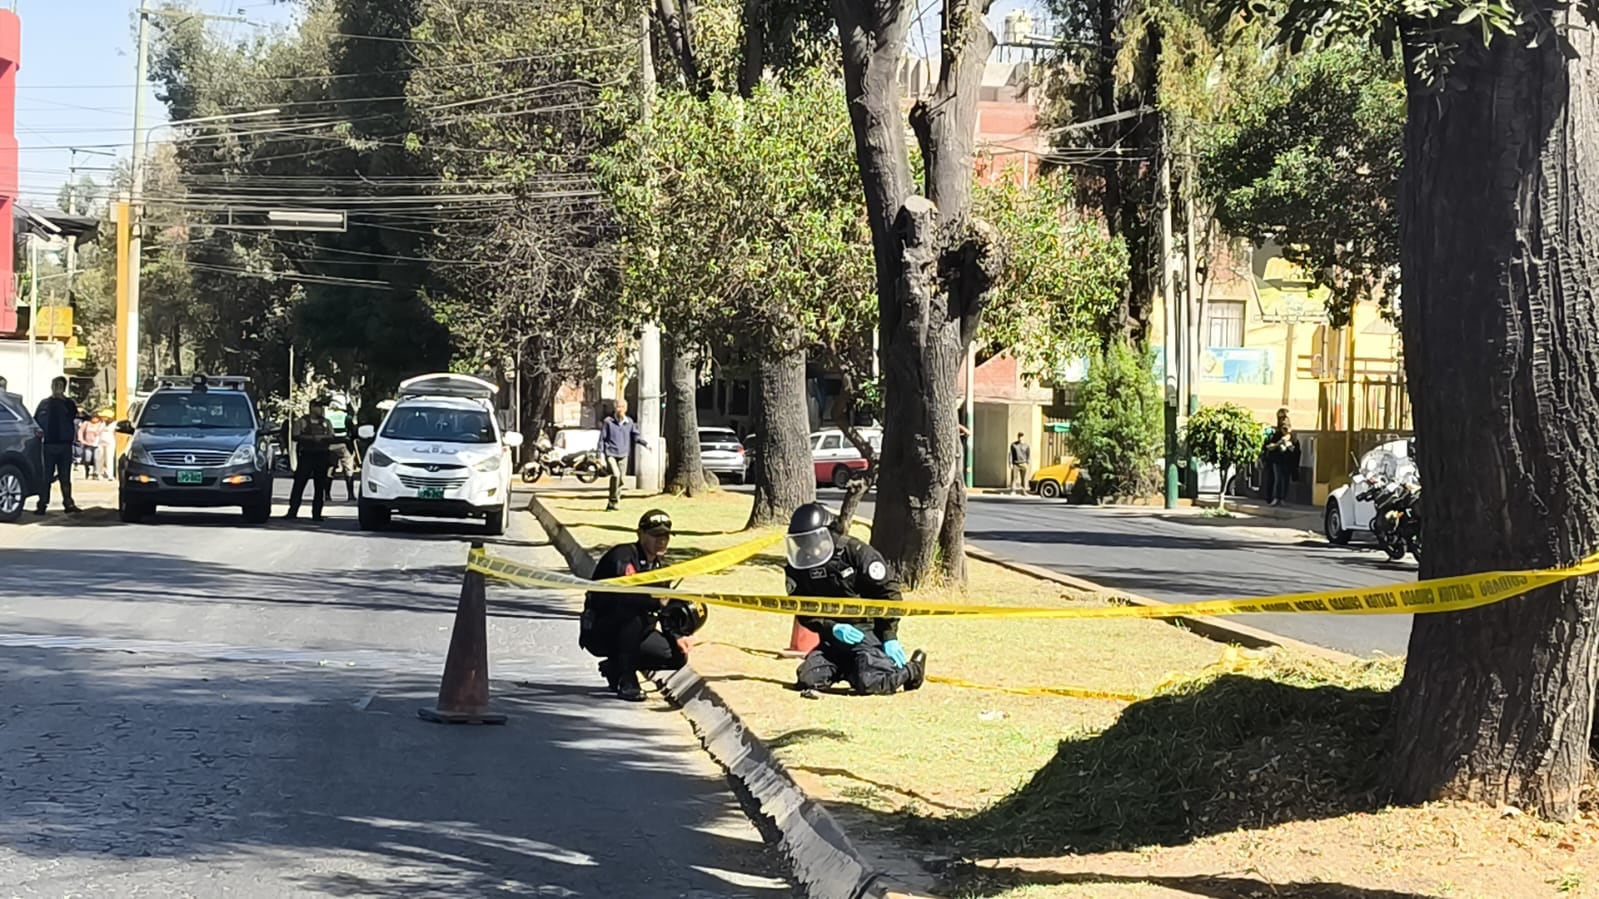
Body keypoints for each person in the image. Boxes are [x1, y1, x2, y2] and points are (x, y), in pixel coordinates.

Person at [787, 503, 927, 697]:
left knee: (871, 683)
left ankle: (912, 670)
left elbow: (889, 594)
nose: (807, 547)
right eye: (802, 542)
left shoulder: (855, 553)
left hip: (865, 635)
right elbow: (801, 607)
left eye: (811, 540)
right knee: (807, 679)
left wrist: (889, 636)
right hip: (832, 639)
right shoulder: (799, 564)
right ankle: (850, 669)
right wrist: (830, 627)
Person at [580, 509, 694, 702]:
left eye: (666, 535)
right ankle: (627, 678)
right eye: (656, 535)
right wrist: (655, 601)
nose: (662, 540)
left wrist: (676, 635)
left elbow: (665, 606)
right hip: (603, 629)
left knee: (675, 656)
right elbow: (623, 598)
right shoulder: (622, 557)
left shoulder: (662, 569)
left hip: (639, 633)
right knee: (632, 613)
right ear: (640, 534)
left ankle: (615, 667)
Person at [33, 376, 80, 516]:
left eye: (60, 385)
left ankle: (68, 503)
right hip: (48, 445)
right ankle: (42, 504)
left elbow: (73, 415)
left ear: (64, 388)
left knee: (65, 476)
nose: (57, 388)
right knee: (46, 476)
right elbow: (36, 421)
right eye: (55, 385)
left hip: (64, 445)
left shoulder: (69, 404)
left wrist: (61, 400)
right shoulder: (44, 404)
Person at [285, 397, 336, 521]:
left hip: (322, 456)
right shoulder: (302, 422)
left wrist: (322, 439)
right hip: (307, 455)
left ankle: (317, 513)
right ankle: (293, 511)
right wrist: (312, 438)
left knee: (320, 486)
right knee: (299, 484)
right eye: (318, 407)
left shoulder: (326, 422)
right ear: (312, 407)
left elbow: (332, 436)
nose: (321, 410)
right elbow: (295, 436)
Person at [599, 398, 648, 512]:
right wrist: (599, 455)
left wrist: (645, 444)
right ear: (614, 408)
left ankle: (613, 502)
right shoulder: (608, 422)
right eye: (618, 407)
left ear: (626, 409)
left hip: (623, 454)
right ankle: (613, 500)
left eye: (622, 407)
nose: (620, 409)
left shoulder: (629, 422)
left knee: (621, 480)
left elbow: (636, 436)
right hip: (610, 453)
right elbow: (602, 439)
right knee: (615, 475)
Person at [1261, 407, 1301, 506]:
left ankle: (1283, 498)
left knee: (1285, 479)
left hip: (1288, 460)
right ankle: (1277, 498)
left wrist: (1289, 445)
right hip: (1277, 460)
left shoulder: (1293, 436)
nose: (1285, 430)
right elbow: (1269, 446)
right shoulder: (1275, 434)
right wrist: (1278, 444)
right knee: (1278, 478)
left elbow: (1296, 449)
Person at [326, 397, 357, 501]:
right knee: (348, 469)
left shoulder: (327, 416)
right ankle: (351, 495)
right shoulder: (346, 417)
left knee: (330, 469)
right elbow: (353, 431)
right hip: (344, 445)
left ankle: (327, 494)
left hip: (330, 445)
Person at [77, 414, 105, 480]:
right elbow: (80, 431)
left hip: (97, 444)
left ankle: (96, 473)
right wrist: (81, 440)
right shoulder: (86, 423)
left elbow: (103, 433)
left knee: (97, 459)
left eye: (96, 417)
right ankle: (87, 469)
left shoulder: (101, 425)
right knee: (87, 459)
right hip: (87, 444)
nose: (94, 419)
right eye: (93, 417)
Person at [96, 408, 117, 481]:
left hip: (110, 443)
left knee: (109, 458)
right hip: (101, 442)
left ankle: (110, 474)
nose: (102, 418)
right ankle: (99, 473)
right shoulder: (101, 424)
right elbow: (97, 432)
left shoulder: (114, 424)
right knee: (100, 458)